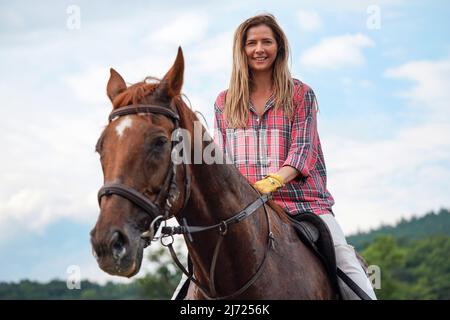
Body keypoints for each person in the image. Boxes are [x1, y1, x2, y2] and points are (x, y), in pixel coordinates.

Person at [212, 13, 377, 300]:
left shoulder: (301, 94)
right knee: (193, 275)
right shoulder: (224, 102)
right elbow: (223, 159)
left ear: (279, 48)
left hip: (303, 203)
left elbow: (303, 152)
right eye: (251, 43)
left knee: (345, 261)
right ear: (241, 50)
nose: (259, 49)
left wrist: (271, 182)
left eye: (267, 41)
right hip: (246, 209)